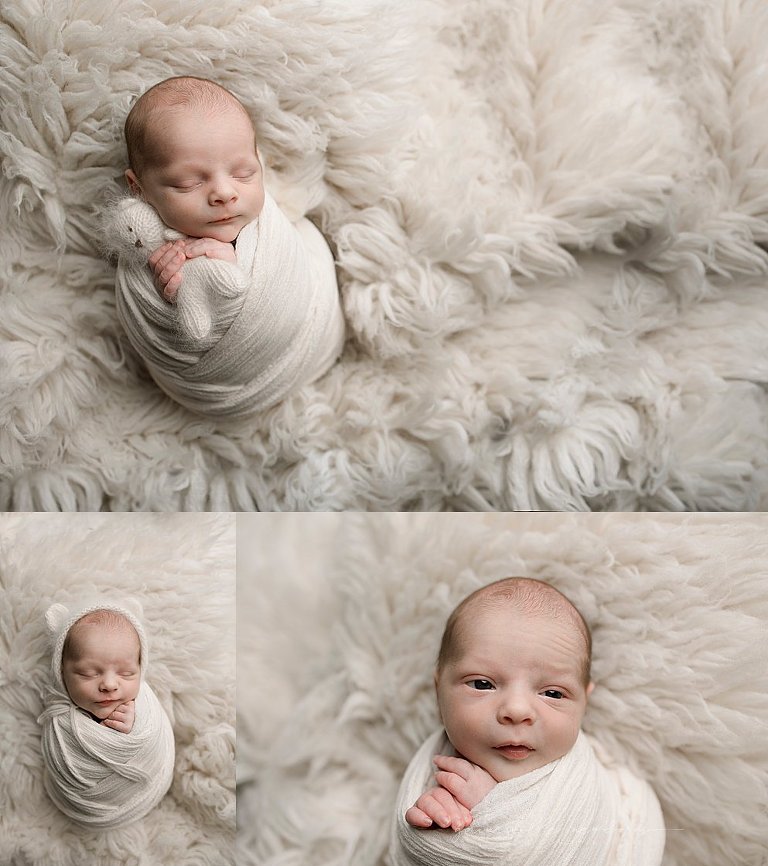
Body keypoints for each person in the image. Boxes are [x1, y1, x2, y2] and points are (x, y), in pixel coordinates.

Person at [109, 75, 345, 417]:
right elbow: (152, 323)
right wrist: (168, 293)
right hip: (218, 389)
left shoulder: (267, 230)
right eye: (189, 182)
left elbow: (294, 267)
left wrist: (232, 265)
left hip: (305, 329)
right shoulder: (146, 246)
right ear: (138, 189)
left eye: (244, 173)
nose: (224, 192)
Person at [390, 577, 665, 866]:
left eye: (552, 693)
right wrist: (434, 830)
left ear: (584, 702)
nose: (517, 710)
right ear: (438, 691)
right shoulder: (433, 777)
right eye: (482, 684)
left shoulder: (597, 787)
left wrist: (491, 806)